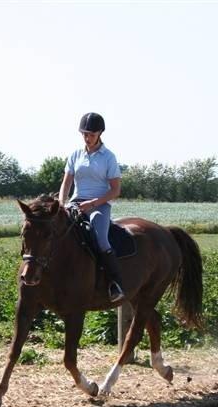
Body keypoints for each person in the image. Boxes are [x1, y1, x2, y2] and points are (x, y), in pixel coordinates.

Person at [58, 112, 124, 303]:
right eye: (85, 134)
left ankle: (114, 283)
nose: (87, 138)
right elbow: (66, 183)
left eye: (91, 134)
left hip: (99, 205)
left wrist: (93, 203)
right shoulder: (75, 155)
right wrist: (62, 203)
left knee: (101, 239)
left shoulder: (108, 157)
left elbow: (116, 190)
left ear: (100, 133)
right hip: (76, 202)